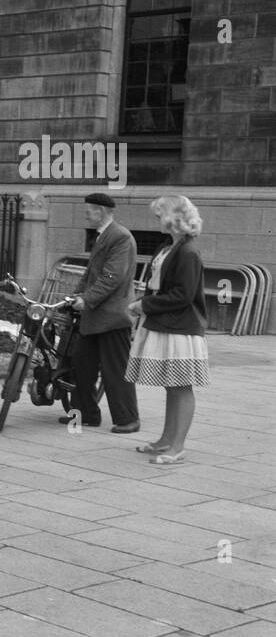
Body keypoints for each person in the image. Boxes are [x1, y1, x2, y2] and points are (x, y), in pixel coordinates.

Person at [126, 195, 210, 464]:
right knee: (171, 385)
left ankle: (177, 446)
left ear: (175, 217)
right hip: (167, 324)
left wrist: (144, 304)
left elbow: (183, 296)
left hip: (182, 328)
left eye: (159, 214)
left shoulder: (187, 252)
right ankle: (166, 440)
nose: (156, 219)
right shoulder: (168, 247)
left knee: (181, 386)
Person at [62, 192, 140, 432]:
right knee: (81, 366)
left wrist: (87, 299)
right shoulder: (104, 236)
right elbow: (90, 274)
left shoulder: (120, 236)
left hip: (113, 317)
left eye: (89, 211)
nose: (86, 215)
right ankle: (85, 415)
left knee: (115, 370)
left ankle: (128, 419)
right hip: (96, 316)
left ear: (101, 211)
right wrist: (76, 295)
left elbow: (112, 276)